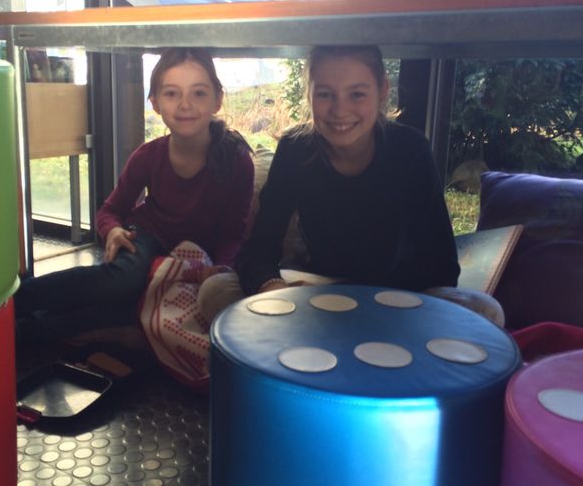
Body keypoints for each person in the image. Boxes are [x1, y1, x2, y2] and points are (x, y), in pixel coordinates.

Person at [199, 44, 504, 325]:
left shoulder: (411, 150)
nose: (340, 110)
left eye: (357, 94)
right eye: (325, 94)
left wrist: (382, 303)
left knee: (486, 312)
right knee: (216, 291)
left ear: (382, 90)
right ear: (309, 94)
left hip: (398, 296)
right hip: (316, 287)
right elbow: (259, 247)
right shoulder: (295, 148)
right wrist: (274, 291)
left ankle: (342, 329)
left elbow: (442, 265)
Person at [15, 47, 255, 345]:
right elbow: (110, 210)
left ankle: (29, 332)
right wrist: (114, 231)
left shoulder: (236, 160)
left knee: (130, 310)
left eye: (199, 93)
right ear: (155, 103)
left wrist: (220, 268)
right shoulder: (148, 156)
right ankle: (16, 303)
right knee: (124, 281)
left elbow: (234, 232)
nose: (185, 104)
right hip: (149, 237)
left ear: (217, 99)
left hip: (199, 255)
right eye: (171, 93)